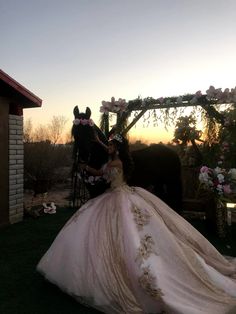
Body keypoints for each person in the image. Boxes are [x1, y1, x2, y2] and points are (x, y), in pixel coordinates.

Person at [37, 134, 236, 314]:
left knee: (128, 232)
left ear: (117, 148)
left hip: (117, 196)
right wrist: (97, 143)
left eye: (112, 145)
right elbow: (103, 166)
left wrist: (87, 168)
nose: (109, 147)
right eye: (109, 145)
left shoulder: (115, 164)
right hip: (120, 195)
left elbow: (102, 175)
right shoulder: (117, 159)